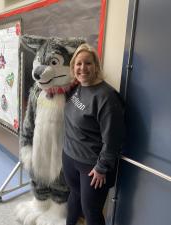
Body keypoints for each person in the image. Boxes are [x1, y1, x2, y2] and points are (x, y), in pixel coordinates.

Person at [62, 43, 125, 225]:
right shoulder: (76, 88)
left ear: (96, 66)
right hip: (69, 156)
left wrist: (101, 167)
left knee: (91, 211)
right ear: (73, 67)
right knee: (74, 196)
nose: (83, 68)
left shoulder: (106, 97)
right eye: (78, 64)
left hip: (91, 167)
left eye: (88, 63)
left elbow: (113, 139)